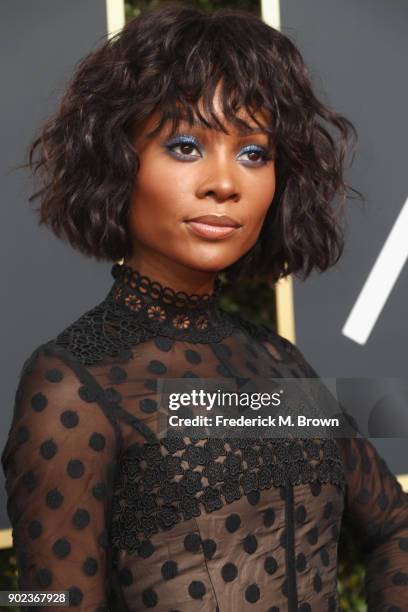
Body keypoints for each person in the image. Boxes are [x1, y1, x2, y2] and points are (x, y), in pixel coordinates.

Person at [2, 5, 408, 611]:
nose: (226, 183)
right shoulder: (70, 384)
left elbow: (396, 529)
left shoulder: (279, 362)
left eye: (254, 154)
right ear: (119, 162)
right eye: (186, 145)